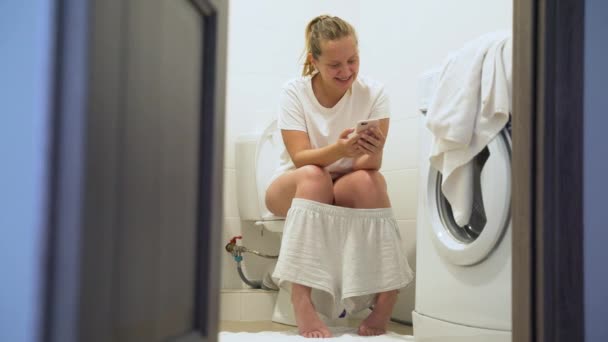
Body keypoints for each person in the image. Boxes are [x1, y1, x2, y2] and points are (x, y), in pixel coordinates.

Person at [266, 15, 413, 338]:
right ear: (313, 61)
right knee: (315, 176)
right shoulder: (294, 92)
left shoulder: (374, 93)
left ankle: (387, 293)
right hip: (295, 183)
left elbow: (369, 165)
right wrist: (340, 150)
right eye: (334, 64)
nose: (346, 71)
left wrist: (371, 150)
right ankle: (301, 297)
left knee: (370, 181)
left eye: (353, 60)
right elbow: (300, 157)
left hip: (347, 180)